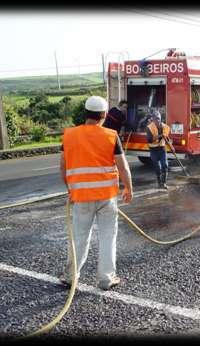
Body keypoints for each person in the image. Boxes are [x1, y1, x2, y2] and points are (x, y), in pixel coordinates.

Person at [60, 95, 133, 290]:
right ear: (104, 115)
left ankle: (70, 276)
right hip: (106, 198)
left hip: (81, 198)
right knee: (108, 236)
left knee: (78, 237)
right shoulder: (111, 135)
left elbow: (63, 167)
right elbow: (123, 167)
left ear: (86, 113)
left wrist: (71, 189)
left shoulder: (69, 135)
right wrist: (128, 188)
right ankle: (106, 279)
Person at [145, 109, 175, 189]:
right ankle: (159, 182)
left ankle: (164, 183)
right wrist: (160, 136)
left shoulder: (165, 127)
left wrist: (171, 147)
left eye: (159, 118)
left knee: (165, 165)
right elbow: (149, 140)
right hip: (153, 150)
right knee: (157, 167)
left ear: (160, 118)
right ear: (153, 119)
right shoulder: (149, 128)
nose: (158, 120)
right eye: (156, 119)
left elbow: (166, 138)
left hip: (162, 149)